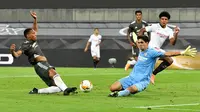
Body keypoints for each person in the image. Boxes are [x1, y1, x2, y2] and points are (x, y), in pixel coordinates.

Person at [9, 11, 77, 95]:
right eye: (33, 34)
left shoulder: (33, 40)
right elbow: (16, 55)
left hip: (43, 64)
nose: (35, 34)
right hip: (39, 64)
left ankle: (37, 91)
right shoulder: (25, 45)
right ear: (28, 36)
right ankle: (66, 89)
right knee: (52, 72)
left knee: (57, 87)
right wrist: (12, 51)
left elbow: (35, 28)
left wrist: (35, 19)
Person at [108, 35, 197, 97]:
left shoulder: (152, 52)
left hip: (142, 81)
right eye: (138, 42)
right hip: (131, 78)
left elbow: (167, 54)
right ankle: (124, 91)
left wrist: (182, 52)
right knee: (112, 88)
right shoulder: (141, 49)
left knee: (131, 89)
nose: (140, 44)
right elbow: (137, 40)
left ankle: (119, 94)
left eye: (142, 42)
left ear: (147, 43)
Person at [138, 11, 180, 84]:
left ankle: (152, 74)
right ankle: (150, 75)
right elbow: (142, 30)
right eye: (162, 19)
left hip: (156, 50)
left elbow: (172, 42)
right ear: (160, 19)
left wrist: (176, 34)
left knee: (169, 61)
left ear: (167, 21)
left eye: (165, 19)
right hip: (150, 48)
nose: (164, 21)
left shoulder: (169, 30)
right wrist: (140, 41)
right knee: (169, 60)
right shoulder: (154, 26)